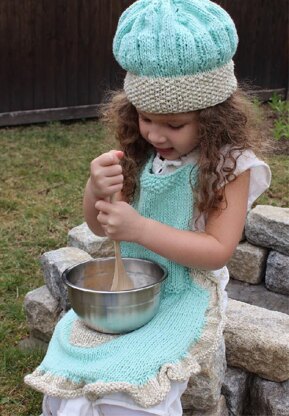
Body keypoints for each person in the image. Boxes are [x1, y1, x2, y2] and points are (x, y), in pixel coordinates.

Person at [25, 0, 271, 414]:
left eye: (174, 124)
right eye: (145, 118)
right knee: (73, 370)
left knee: (132, 387)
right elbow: (101, 227)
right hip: (132, 286)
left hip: (186, 289)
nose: (156, 133)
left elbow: (217, 251)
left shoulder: (231, 165)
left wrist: (139, 228)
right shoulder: (141, 152)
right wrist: (95, 190)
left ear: (214, 118)